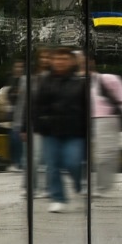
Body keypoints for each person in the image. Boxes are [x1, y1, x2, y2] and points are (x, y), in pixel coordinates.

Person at [30, 46, 88, 213]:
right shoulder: (45, 81)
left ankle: (77, 182)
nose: (60, 62)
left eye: (64, 59)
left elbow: (86, 109)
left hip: (74, 131)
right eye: (57, 59)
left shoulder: (80, 83)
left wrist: (86, 131)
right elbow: (36, 105)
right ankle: (58, 198)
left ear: (71, 61)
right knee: (52, 165)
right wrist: (37, 124)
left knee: (73, 162)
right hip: (50, 130)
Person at [88, 56, 122, 195]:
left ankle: (101, 185)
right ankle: (93, 184)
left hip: (106, 119)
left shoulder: (108, 79)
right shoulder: (76, 82)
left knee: (104, 155)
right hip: (85, 120)